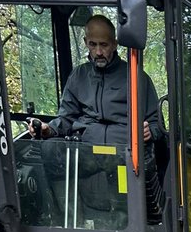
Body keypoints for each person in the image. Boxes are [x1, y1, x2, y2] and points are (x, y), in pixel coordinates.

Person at [30, 14, 162, 148]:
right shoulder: (78, 75)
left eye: (104, 45)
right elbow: (66, 118)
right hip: (86, 152)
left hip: (125, 153)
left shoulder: (136, 77)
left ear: (114, 44)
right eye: (93, 44)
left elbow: (156, 123)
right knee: (48, 148)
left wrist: (150, 131)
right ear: (86, 42)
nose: (98, 52)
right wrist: (48, 129)